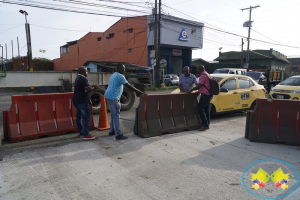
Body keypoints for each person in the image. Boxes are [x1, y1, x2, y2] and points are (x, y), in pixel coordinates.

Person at [105, 63, 146, 140]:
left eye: (124, 68)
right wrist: (140, 92)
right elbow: (129, 86)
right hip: (113, 98)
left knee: (113, 114)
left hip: (109, 96)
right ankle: (118, 134)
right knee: (116, 115)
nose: (124, 69)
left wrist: (122, 96)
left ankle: (112, 130)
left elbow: (115, 87)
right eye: (122, 68)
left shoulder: (114, 74)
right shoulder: (120, 76)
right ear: (118, 68)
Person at [72, 66, 99, 140]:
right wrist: (94, 88)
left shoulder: (77, 78)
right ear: (83, 72)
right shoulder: (83, 78)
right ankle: (85, 134)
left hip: (76, 100)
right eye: (87, 71)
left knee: (79, 117)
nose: (87, 72)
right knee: (86, 117)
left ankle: (81, 132)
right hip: (82, 101)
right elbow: (88, 88)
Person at [189, 65, 213, 131]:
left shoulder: (202, 76)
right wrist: (199, 91)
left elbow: (199, 85)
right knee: (206, 110)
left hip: (205, 95)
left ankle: (205, 125)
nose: (197, 71)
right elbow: (204, 86)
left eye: (197, 70)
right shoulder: (207, 74)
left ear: (200, 70)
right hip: (209, 94)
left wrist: (192, 89)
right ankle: (207, 124)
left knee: (200, 109)